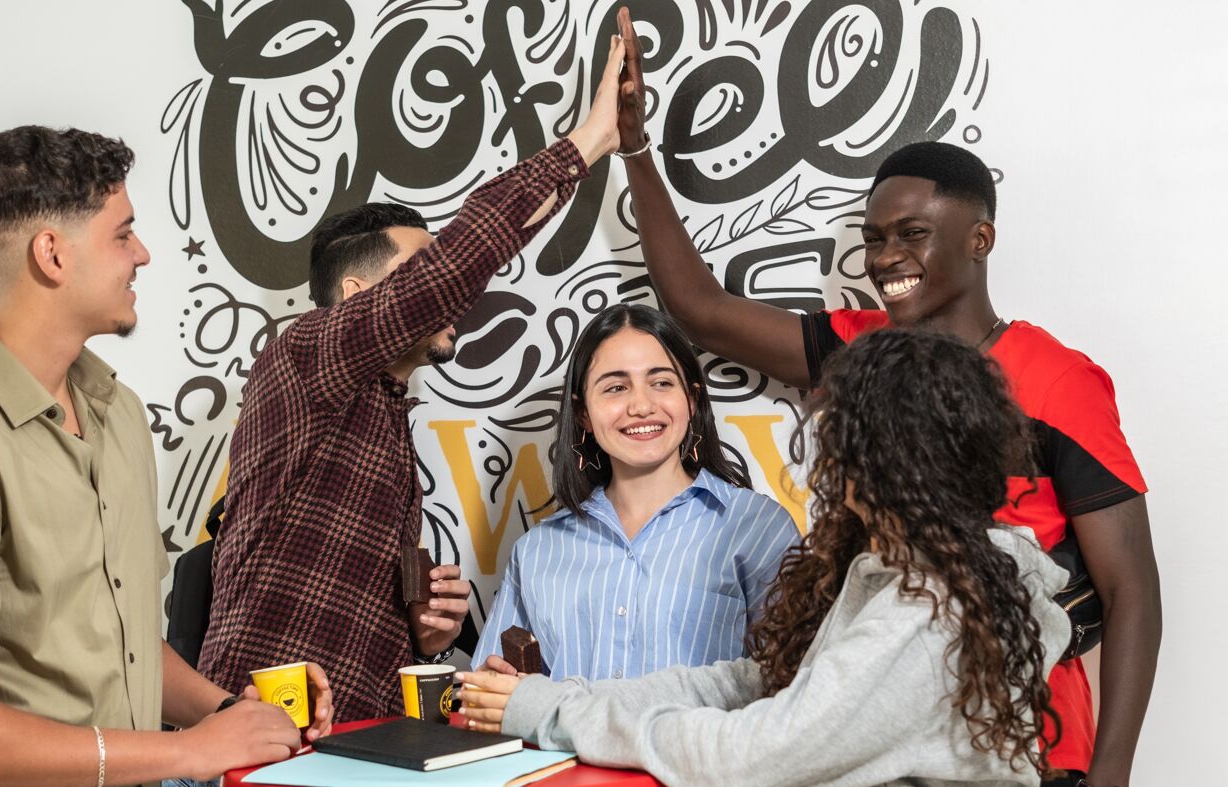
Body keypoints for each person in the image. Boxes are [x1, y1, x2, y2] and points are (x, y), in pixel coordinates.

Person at [609, 9, 1159, 783]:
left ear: (980, 237)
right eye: (874, 237)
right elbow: (699, 308)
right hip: (872, 739)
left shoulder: (1059, 378)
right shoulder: (857, 349)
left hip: (1025, 745)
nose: (886, 257)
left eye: (912, 233)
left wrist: (1112, 773)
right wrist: (633, 145)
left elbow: (1131, 587)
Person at [0, 126, 333, 787]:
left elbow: (125, 648)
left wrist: (233, 714)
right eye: (122, 233)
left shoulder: (117, 412)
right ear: (52, 254)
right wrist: (189, 752)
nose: (143, 254)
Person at [199, 36, 630, 721]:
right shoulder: (306, 355)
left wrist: (423, 630)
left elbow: (365, 625)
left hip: (343, 750)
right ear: (353, 293)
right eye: (418, 278)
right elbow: (461, 262)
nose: (445, 296)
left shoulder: (387, 413)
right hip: (253, 741)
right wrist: (589, 140)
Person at [461, 328, 1071, 787]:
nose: (828, 460)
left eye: (840, 440)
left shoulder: (929, 608)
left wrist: (555, 711)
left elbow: (761, 751)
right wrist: (564, 698)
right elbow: (751, 680)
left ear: (887, 456)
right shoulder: (889, 571)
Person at [471, 304, 797, 680]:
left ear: (692, 400)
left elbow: (795, 690)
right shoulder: (537, 551)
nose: (642, 406)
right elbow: (495, 695)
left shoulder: (757, 529)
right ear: (583, 415)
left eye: (661, 382)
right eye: (615, 387)